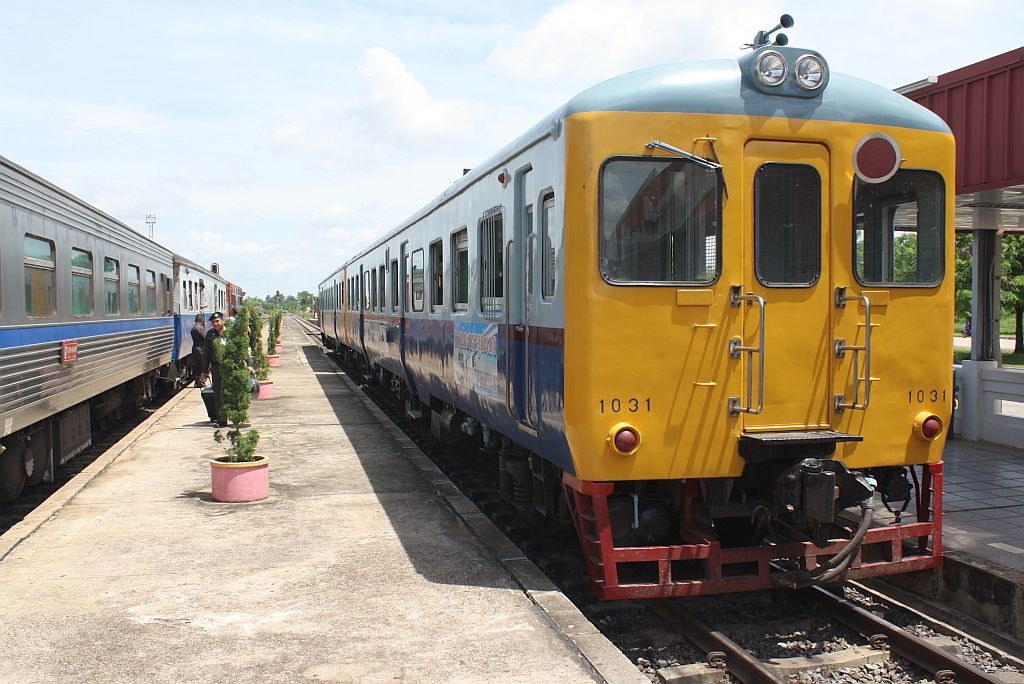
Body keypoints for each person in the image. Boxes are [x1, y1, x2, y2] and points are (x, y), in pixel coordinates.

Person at [199, 312, 227, 426]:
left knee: (232, 392)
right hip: (216, 368)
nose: (215, 324)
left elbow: (242, 350)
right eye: (213, 322)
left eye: (217, 321)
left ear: (222, 321)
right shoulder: (210, 335)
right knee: (218, 395)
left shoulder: (230, 333)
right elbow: (207, 355)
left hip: (230, 367)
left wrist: (248, 363)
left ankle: (236, 417)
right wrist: (204, 372)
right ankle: (221, 420)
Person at [190, 314, 206, 387]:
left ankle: (197, 381)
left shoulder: (193, 328)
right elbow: (205, 337)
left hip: (195, 347)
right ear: (201, 320)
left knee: (198, 366)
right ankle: (202, 380)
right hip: (200, 348)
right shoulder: (200, 328)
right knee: (205, 364)